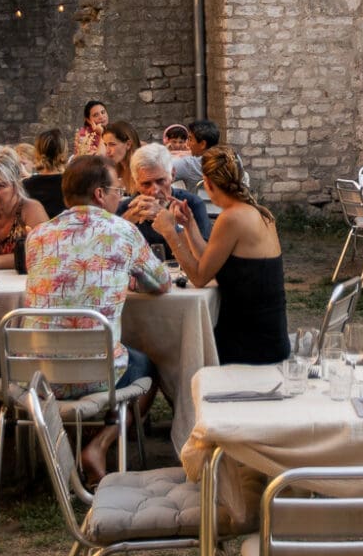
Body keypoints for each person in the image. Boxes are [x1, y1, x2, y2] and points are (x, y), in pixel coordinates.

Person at [24, 154, 168, 483]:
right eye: (119, 190)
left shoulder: (38, 236)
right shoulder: (123, 232)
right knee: (149, 365)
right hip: (98, 375)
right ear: (100, 194)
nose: (122, 197)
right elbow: (161, 283)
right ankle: (100, 444)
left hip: (38, 374)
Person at [151, 146, 289, 365]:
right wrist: (189, 225)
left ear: (207, 182)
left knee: (171, 350)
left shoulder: (232, 218)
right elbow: (210, 261)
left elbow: (199, 277)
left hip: (250, 343)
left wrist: (170, 233)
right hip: (270, 335)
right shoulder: (258, 212)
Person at [125, 141, 212, 255]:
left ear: (173, 175)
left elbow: (203, 257)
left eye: (160, 181)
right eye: (146, 184)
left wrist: (170, 225)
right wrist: (125, 223)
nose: (154, 190)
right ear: (136, 183)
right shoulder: (128, 208)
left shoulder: (191, 204)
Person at [23, 129, 67, 219]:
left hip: (34, 231)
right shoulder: (71, 183)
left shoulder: (25, 185)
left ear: (37, 153)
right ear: (63, 152)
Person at [102, 120, 142, 197]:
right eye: (105, 145)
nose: (107, 151)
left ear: (128, 144)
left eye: (112, 144)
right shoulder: (114, 170)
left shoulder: (142, 171)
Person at [164, 123, 204, 195]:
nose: (177, 145)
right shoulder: (163, 154)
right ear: (167, 140)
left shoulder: (191, 156)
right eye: (174, 142)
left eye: (181, 142)